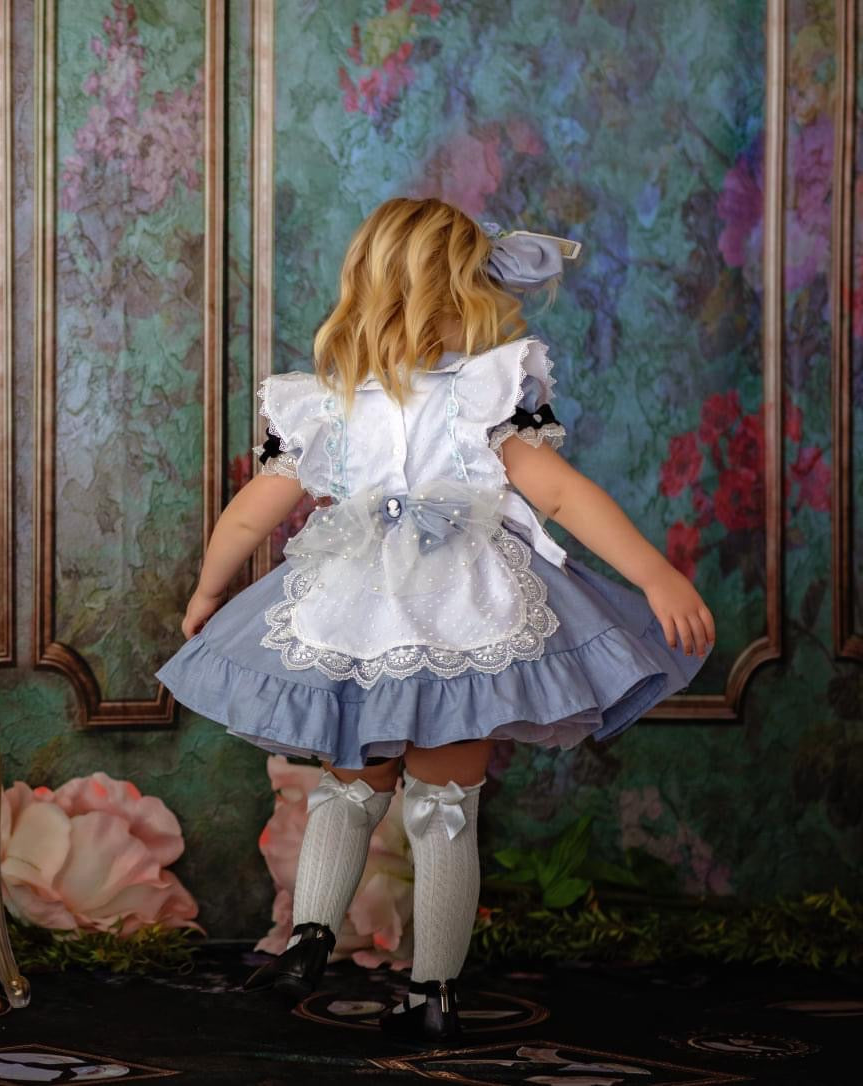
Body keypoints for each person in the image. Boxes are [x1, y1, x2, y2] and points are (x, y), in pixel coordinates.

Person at [155, 197, 713, 1042]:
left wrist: (208, 591)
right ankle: (431, 994)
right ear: (459, 294)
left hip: (356, 616)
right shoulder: (482, 393)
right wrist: (655, 574)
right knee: (444, 807)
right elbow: (563, 497)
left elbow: (249, 514)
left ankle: (310, 937)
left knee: (349, 787)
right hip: (462, 613)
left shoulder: (329, 403)